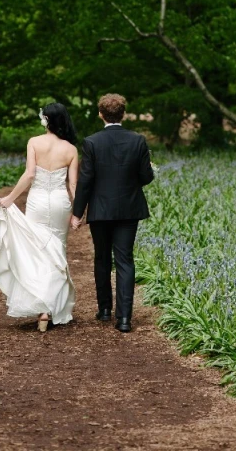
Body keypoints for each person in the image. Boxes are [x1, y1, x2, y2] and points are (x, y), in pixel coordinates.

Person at [0, 103, 77, 332]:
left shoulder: (34, 142)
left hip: (36, 202)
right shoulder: (71, 149)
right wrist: (78, 212)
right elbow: (73, 185)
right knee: (57, 250)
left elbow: (30, 174)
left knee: (37, 251)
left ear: (46, 119)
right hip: (59, 203)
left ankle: (42, 306)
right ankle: (50, 308)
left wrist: (10, 198)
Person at [71, 93, 153, 333]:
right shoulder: (137, 140)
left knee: (102, 257)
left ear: (100, 114)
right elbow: (146, 177)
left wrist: (77, 213)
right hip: (129, 209)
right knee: (125, 260)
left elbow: (85, 181)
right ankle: (125, 319)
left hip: (101, 209)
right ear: (123, 114)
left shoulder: (92, 142)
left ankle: (105, 309)